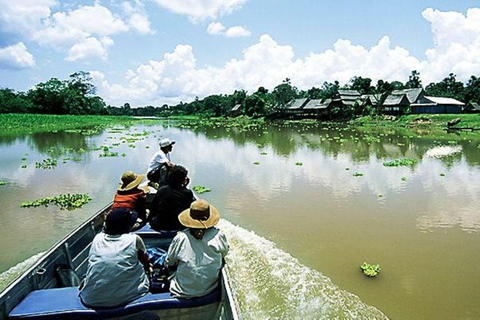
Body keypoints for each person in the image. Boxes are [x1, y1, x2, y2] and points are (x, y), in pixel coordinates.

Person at [79, 208, 152, 308]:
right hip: (128, 296)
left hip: (91, 299)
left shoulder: (97, 238)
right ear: (127, 226)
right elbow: (145, 262)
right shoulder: (134, 239)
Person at [164, 199, 229, 298]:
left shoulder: (181, 238)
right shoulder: (218, 235)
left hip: (182, 290)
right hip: (209, 289)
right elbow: (224, 253)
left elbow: (169, 262)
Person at [148, 165, 195, 231]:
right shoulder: (187, 193)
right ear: (183, 180)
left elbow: (153, 208)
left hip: (160, 225)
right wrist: (184, 187)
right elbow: (188, 210)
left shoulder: (162, 190)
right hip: (178, 225)